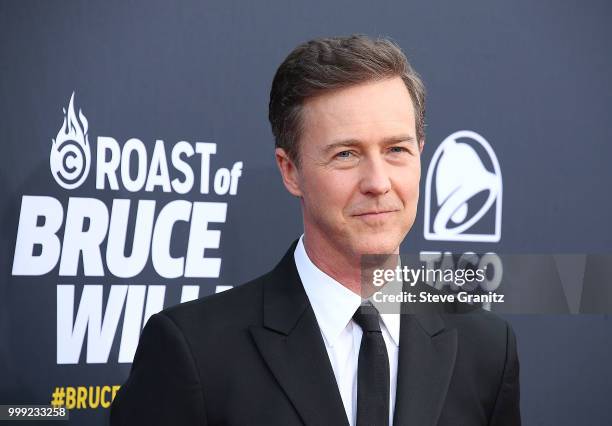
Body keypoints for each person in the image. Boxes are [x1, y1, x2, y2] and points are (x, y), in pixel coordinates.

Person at [110, 35, 520, 426]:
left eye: (396, 149)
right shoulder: (194, 351)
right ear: (290, 171)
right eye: (346, 154)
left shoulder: (485, 347)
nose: (378, 182)